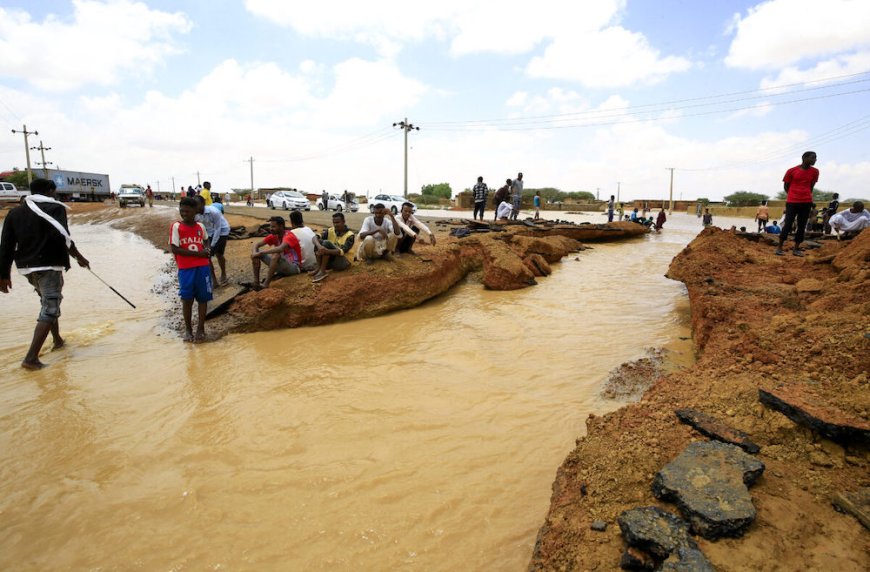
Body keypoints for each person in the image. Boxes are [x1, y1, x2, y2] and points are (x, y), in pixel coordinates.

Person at [0, 178, 90, 369]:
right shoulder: (55, 208)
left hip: (26, 268)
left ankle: (57, 340)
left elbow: (6, 245)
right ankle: (30, 359)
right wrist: (79, 257)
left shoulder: (15, 212)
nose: (55, 194)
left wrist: (4, 274)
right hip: (49, 265)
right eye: (54, 191)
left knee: (47, 303)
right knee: (50, 307)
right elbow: (62, 236)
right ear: (49, 190)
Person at [170, 197, 212, 343]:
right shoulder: (176, 226)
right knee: (187, 299)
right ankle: (188, 330)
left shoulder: (200, 226)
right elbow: (175, 248)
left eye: (187, 211)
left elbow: (206, 239)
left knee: (203, 298)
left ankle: (200, 329)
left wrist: (207, 249)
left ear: (195, 211)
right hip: (186, 269)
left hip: (203, 267)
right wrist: (198, 254)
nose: (184, 214)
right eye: (181, 211)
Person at [777, 151, 818, 256]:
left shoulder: (815, 172)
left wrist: (807, 196)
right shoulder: (791, 171)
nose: (815, 160)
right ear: (804, 158)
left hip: (806, 202)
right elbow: (786, 186)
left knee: (802, 225)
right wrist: (793, 195)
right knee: (788, 224)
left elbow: (811, 186)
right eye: (812, 158)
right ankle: (779, 247)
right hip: (792, 202)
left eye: (815, 158)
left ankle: (796, 249)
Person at [250, 216, 301, 289]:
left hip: (294, 268)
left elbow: (280, 249)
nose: (270, 229)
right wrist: (254, 253)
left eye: (273, 227)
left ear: (281, 226)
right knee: (256, 253)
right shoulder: (274, 236)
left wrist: (261, 253)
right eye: (270, 226)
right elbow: (256, 244)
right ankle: (256, 282)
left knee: (276, 254)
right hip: (282, 266)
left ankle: (266, 284)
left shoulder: (289, 235)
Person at [194, 195, 231, 286]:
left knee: (219, 254)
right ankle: (214, 280)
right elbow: (197, 228)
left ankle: (223, 274)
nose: (196, 207)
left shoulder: (214, 212)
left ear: (203, 204)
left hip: (222, 231)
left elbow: (218, 229)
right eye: (194, 205)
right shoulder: (195, 215)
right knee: (207, 256)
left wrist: (212, 245)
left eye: (197, 205)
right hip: (209, 232)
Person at [310, 212, 355, 283]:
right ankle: (319, 268)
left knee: (326, 243)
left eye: (338, 222)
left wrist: (326, 251)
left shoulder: (350, 235)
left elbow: (342, 251)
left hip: (344, 262)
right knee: (319, 241)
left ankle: (322, 271)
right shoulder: (330, 230)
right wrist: (320, 247)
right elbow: (314, 238)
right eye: (334, 223)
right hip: (332, 259)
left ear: (343, 222)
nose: (335, 225)